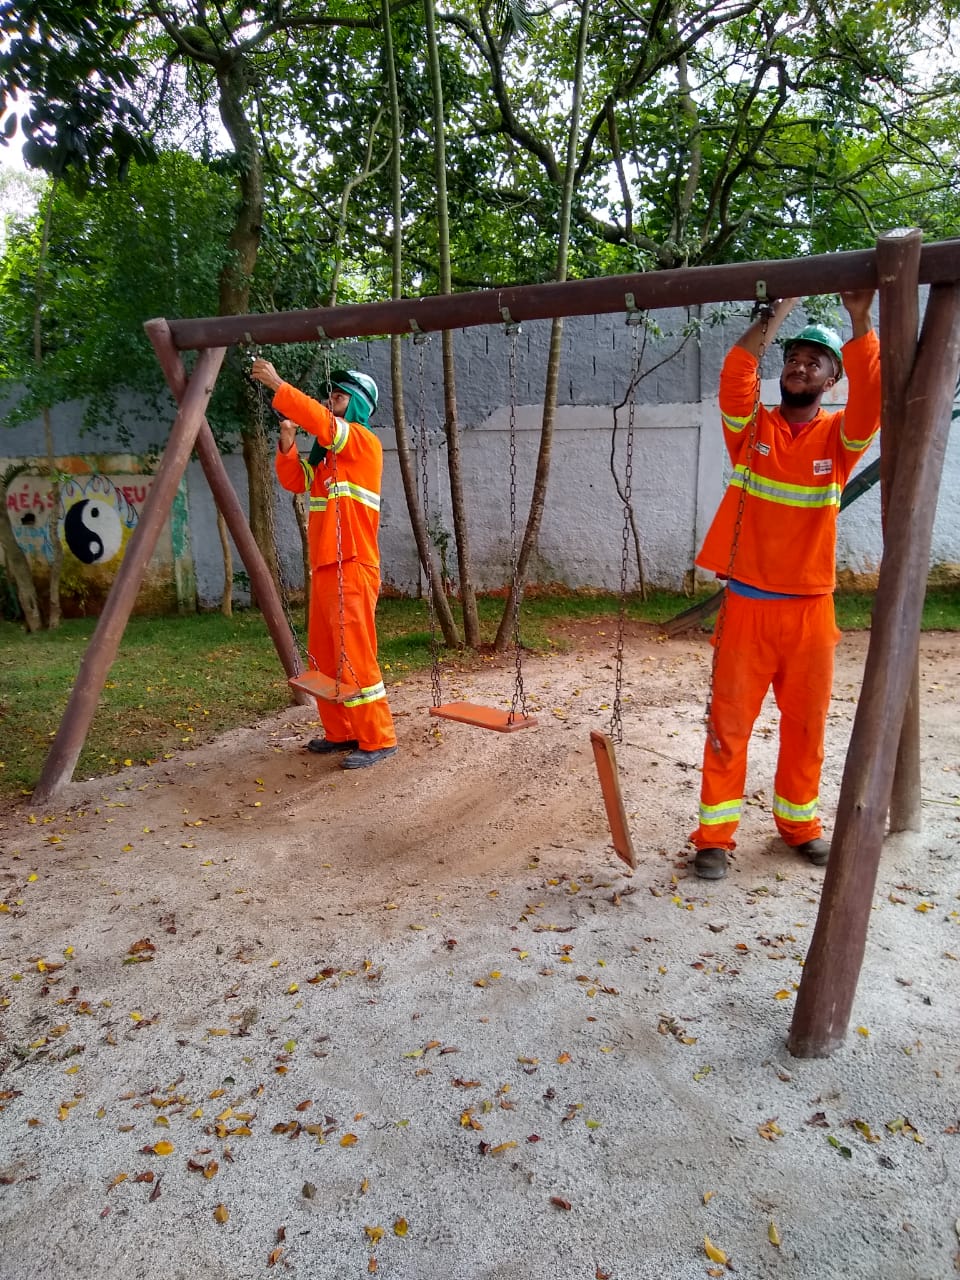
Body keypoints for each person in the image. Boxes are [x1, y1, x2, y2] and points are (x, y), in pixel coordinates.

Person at [689, 291, 881, 880]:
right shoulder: (751, 431)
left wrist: (859, 317)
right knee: (728, 727)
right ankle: (714, 839)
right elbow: (736, 370)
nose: (800, 366)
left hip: (810, 613)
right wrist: (779, 310)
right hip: (747, 607)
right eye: (794, 357)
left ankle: (800, 827)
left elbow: (873, 397)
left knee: (806, 728)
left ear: (831, 379)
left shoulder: (839, 443)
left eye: (814, 361)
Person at [250, 357, 398, 770]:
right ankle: (341, 732)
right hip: (327, 567)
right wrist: (286, 442)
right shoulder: (326, 462)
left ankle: (378, 737)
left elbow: (325, 425)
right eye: (329, 396)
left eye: (337, 396)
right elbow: (294, 480)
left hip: (354, 564)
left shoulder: (362, 442)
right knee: (325, 656)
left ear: (356, 406)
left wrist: (279, 386)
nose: (329, 402)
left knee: (356, 654)